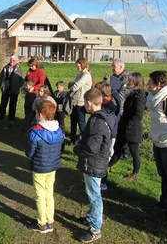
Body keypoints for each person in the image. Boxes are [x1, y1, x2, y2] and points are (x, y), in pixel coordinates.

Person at [74, 88, 115, 243]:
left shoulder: (97, 122)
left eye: (84, 102)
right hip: (97, 162)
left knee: (94, 196)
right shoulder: (102, 116)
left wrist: (78, 148)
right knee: (93, 192)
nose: (84, 105)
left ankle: (95, 229)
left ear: (89, 103)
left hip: (93, 164)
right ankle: (92, 217)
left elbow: (92, 147)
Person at [25, 101, 64, 234]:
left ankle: (41, 223)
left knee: (40, 195)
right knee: (49, 193)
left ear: (41, 115)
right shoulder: (59, 131)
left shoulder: (35, 132)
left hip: (39, 167)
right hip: (52, 167)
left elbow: (29, 152)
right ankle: (50, 220)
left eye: (36, 112)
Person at [146, 70, 167, 221]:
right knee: (163, 174)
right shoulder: (153, 98)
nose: (147, 84)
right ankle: (164, 201)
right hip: (158, 142)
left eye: (150, 82)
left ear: (158, 85)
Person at [108, 72, 146, 181]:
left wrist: (129, 125)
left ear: (136, 82)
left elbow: (138, 114)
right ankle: (108, 166)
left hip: (132, 129)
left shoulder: (139, 96)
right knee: (118, 149)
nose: (127, 82)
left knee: (134, 152)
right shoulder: (131, 93)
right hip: (124, 127)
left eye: (130, 81)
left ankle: (135, 174)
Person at [94, 81, 119, 190]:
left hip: (110, 134)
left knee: (105, 157)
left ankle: (103, 181)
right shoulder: (107, 103)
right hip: (105, 133)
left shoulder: (109, 106)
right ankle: (98, 177)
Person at [68, 58, 92, 145]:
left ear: (82, 65)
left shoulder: (86, 75)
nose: (77, 67)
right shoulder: (80, 75)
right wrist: (72, 84)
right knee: (73, 120)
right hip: (75, 101)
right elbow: (73, 83)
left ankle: (86, 139)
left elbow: (74, 86)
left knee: (81, 122)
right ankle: (72, 139)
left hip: (81, 102)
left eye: (77, 66)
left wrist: (72, 85)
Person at [111, 58, 131, 158]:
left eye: (114, 66)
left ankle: (126, 152)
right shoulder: (114, 77)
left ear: (121, 67)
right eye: (112, 66)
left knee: (124, 130)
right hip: (115, 108)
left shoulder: (127, 78)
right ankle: (117, 149)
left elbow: (123, 94)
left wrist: (112, 94)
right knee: (117, 130)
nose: (112, 68)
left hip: (124, 108)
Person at [0, 55, 24, 121]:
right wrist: (1, 85)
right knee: (3, 104)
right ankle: (0, 117)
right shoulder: (5, 68)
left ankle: (11, 119)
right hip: (5, 90)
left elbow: (22, 80)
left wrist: (17, 87)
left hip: (14, 90)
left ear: (16, 61)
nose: (12, 61)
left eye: (14, 60)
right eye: (11, 60)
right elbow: (1, 77)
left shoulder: (19, 69)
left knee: (13, 105)